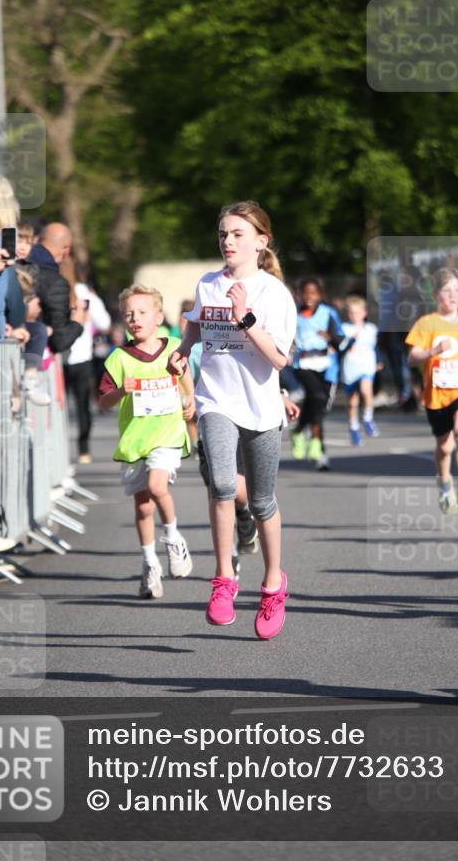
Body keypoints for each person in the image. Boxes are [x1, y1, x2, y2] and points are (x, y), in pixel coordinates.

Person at [169, 201, 297, 640]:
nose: (228, 241)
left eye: (238, 234)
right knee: (222, 484)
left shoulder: (274, 293)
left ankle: (273, 584)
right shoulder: (208, 283)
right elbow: (196, 323)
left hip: (260, 406)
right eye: (223, 233)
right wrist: (183, 350)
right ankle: (224, 579)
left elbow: (279, 358)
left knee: (261, 502)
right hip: (215, 400)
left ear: (261, 242)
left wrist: (246, 318)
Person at [98, 284, 195, 599]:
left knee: (157, 487)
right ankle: (150, 563)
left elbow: (184, 375)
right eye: (129, 314)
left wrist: (191, 399)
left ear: (158, 317)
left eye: (142, 312)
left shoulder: (173, 347)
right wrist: (120, 391)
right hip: (134, 441)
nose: (135, 319)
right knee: (142, 508)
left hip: (166, 434)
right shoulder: (118, 358)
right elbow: (102, 402)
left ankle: (174, 538)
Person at [406, 267, 458, 513]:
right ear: (435, 294)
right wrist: (433, 351)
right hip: (437, 393)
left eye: (457, 290)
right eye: (446, 290)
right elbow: (412, 358)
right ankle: (444, 484)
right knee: (444, 446)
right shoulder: (426, 323)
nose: (452, 295)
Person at [290, 277, 343, 469]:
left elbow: (340, 339)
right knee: (317, 397)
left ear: (319, 294)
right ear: (299, 295)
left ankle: (299, 431)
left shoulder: (328, 313)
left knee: (317, 405)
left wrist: (330, 338)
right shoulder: (293, 314)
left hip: (325, 364)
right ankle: (316, 445)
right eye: (305, 293)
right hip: (302, 363)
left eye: (313, 293)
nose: (309, 297)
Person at [65, 271, 112, 464]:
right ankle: (83, 450)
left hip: (65, 356)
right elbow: (105, 324)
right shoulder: (87, 295)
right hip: (78, 357)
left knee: (64, 406)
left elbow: (105, 323)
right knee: (81, 405)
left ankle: (67, 452)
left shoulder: (54, 286)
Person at [24, 223, 85, 354]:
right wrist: (77, 322)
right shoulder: (55, 282)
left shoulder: (19, 264)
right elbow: (60, 341)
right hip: (33, 355)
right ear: (66, 250)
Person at [339, 294, 380, 446]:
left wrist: (379, 360)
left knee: (365, 390)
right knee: (352, 402)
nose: (354, 315)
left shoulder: (371, 329)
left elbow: (374, 347)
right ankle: (353, 428)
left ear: (364, 313)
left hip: (366, 366)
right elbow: (341, 348)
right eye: (351, 312)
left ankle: (368, 418)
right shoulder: (344, 329)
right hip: (350, 369)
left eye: (357, 312)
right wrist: (351, 339)